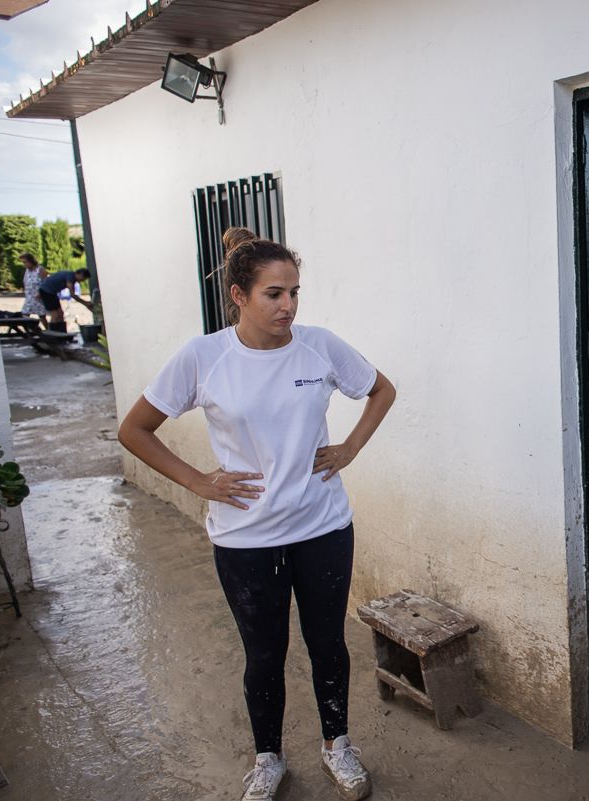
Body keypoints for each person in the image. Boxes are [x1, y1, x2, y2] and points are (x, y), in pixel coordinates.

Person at [117, 227, 396, 801]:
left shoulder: (318, 345)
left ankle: (337, 745)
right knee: (264, 653)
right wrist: (197, 481)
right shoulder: (204, 356)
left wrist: (350, 449)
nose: (289, 306)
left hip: (322, 527)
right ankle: (268, 757)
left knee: (328, 645)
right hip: (245, 539)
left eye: (295, 292)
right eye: (274, 294)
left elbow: (380, 390)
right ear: (239, 296)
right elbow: (134, 429)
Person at [19, 252, 47, 320]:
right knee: (24, 314)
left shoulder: (40, 269)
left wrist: (41, 293)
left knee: (42, 316)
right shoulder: (27, 270)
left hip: (38, 297)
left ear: (30, 261)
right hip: (29, 297)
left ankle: (47, 329)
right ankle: (30, 329)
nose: (24, 264)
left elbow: (46, 282)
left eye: (25, 262)